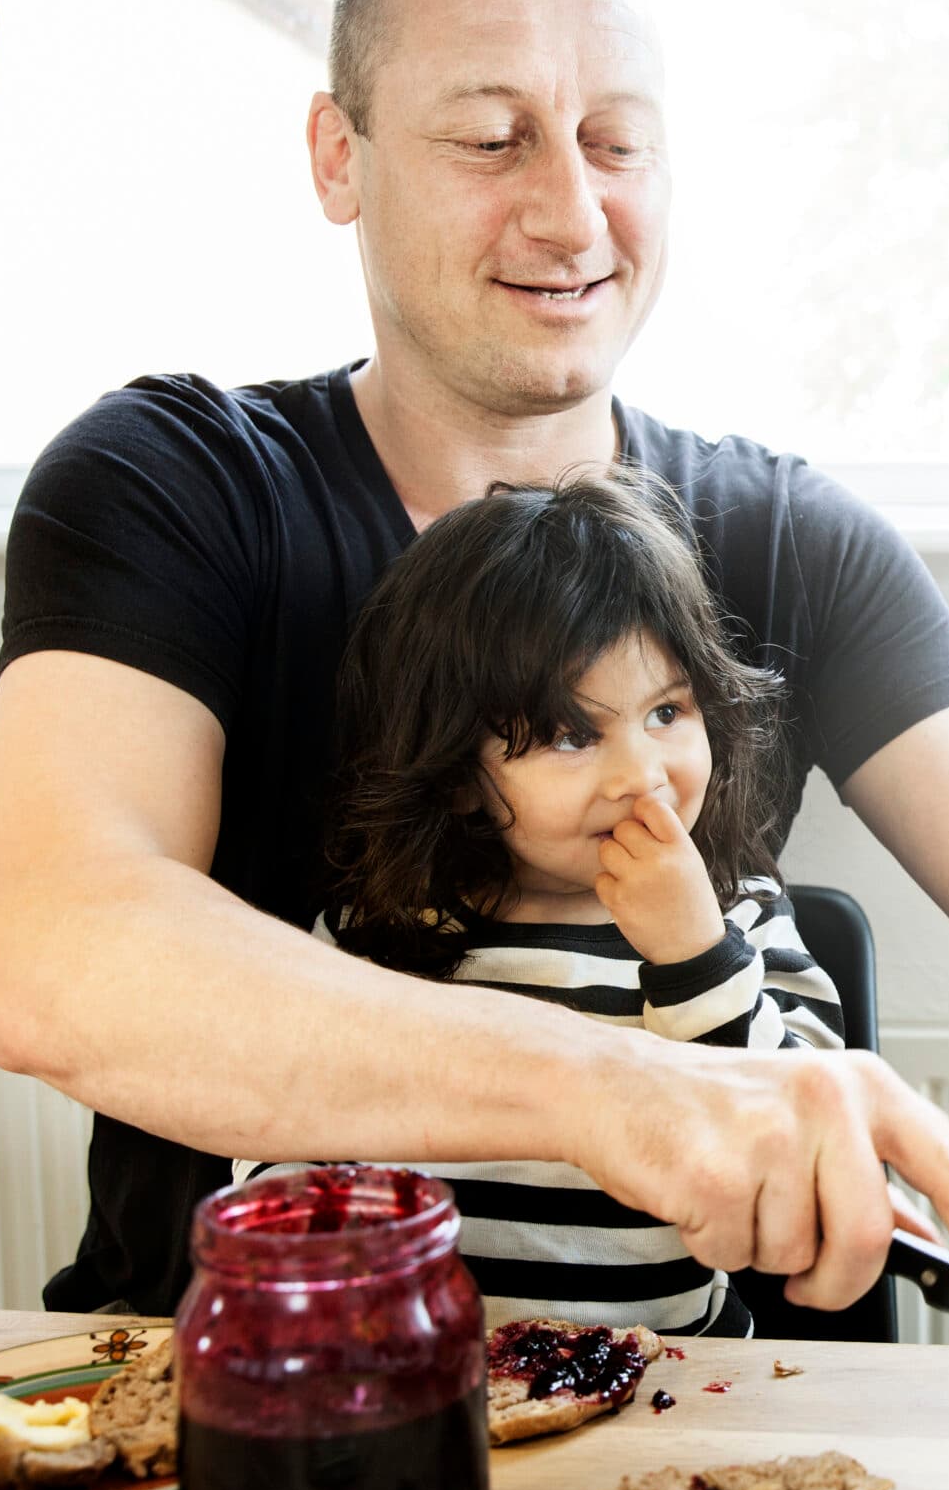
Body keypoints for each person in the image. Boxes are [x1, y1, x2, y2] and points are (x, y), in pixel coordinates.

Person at [0, 0, 949, 1433]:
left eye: (616, 141)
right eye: (491, 138)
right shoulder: (172, 486)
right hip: (244, 1412)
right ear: (339, 154)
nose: (571, 211)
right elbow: (53, 945)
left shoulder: (791, 536)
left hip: (705, 1428)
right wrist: (616, 1090)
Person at [237, 473, 861, 1334]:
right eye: (573, 734)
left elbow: (794, 1146)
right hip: (439, 1388)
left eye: (668, 710)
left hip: (676, 1381)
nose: (641, 774)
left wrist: (694, 957)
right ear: (457, 773)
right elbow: (277, 1156)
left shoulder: (739, 918)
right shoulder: (382, 938)